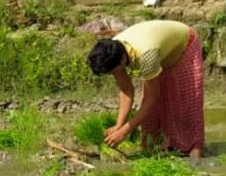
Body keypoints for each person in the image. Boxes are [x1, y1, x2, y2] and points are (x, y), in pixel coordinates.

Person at [86, 20, 204, 158]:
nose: (114, 74)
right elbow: (126, 89)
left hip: (183, 46)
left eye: (114, 71)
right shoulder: (113, 51)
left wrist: (124, 131)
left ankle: (196, 155)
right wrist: (119, 124)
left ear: (122, 60)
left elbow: (151, 99)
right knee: (152, 117)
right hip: (159, 49)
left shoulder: (146, 56)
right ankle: (161, 149)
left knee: (186, 104)